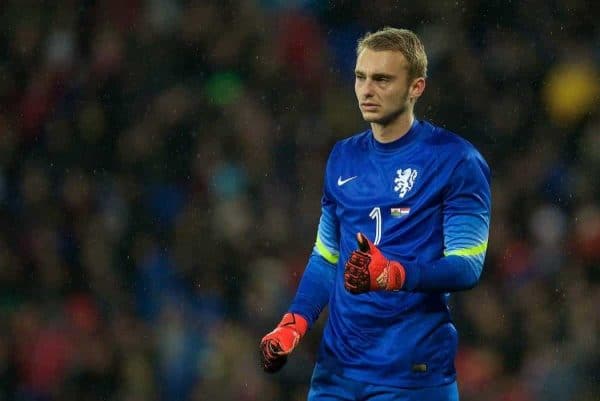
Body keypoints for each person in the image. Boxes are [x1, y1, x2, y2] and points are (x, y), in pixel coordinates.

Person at [260, 27, 491, 401]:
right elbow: (326, 257)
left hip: (413, 374)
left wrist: (396, 274)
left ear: (417, 87)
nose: (367, 90)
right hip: (337, 372)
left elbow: (467, 265)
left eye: (382, 79)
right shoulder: (342, 157)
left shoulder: (456, 160)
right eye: (360, 77)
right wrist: (294, 323)